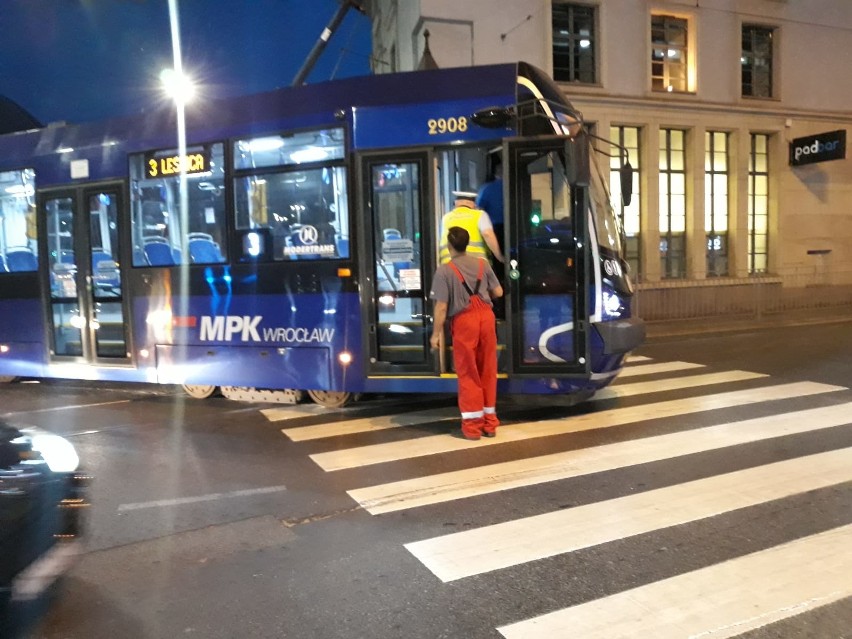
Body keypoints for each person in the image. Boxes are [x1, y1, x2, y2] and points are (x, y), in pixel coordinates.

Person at [429, 226, 504, 440]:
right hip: (486, 318)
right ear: (468, 242)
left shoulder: (444, 271)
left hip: (464, 321)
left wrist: (435, 335)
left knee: (468, 372)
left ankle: (472, 427)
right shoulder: (483, 263)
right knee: (488, 369)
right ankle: (490, 424)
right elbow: (498, 292)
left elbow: (441, 307)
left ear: (450, 245)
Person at [438, 191, 504, 265]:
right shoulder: (479, 215)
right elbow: (487, 234)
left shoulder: (446, 217)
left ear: (456, 203)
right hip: (474, 265)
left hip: (448, 266)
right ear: (473, 204)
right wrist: (500, 257)